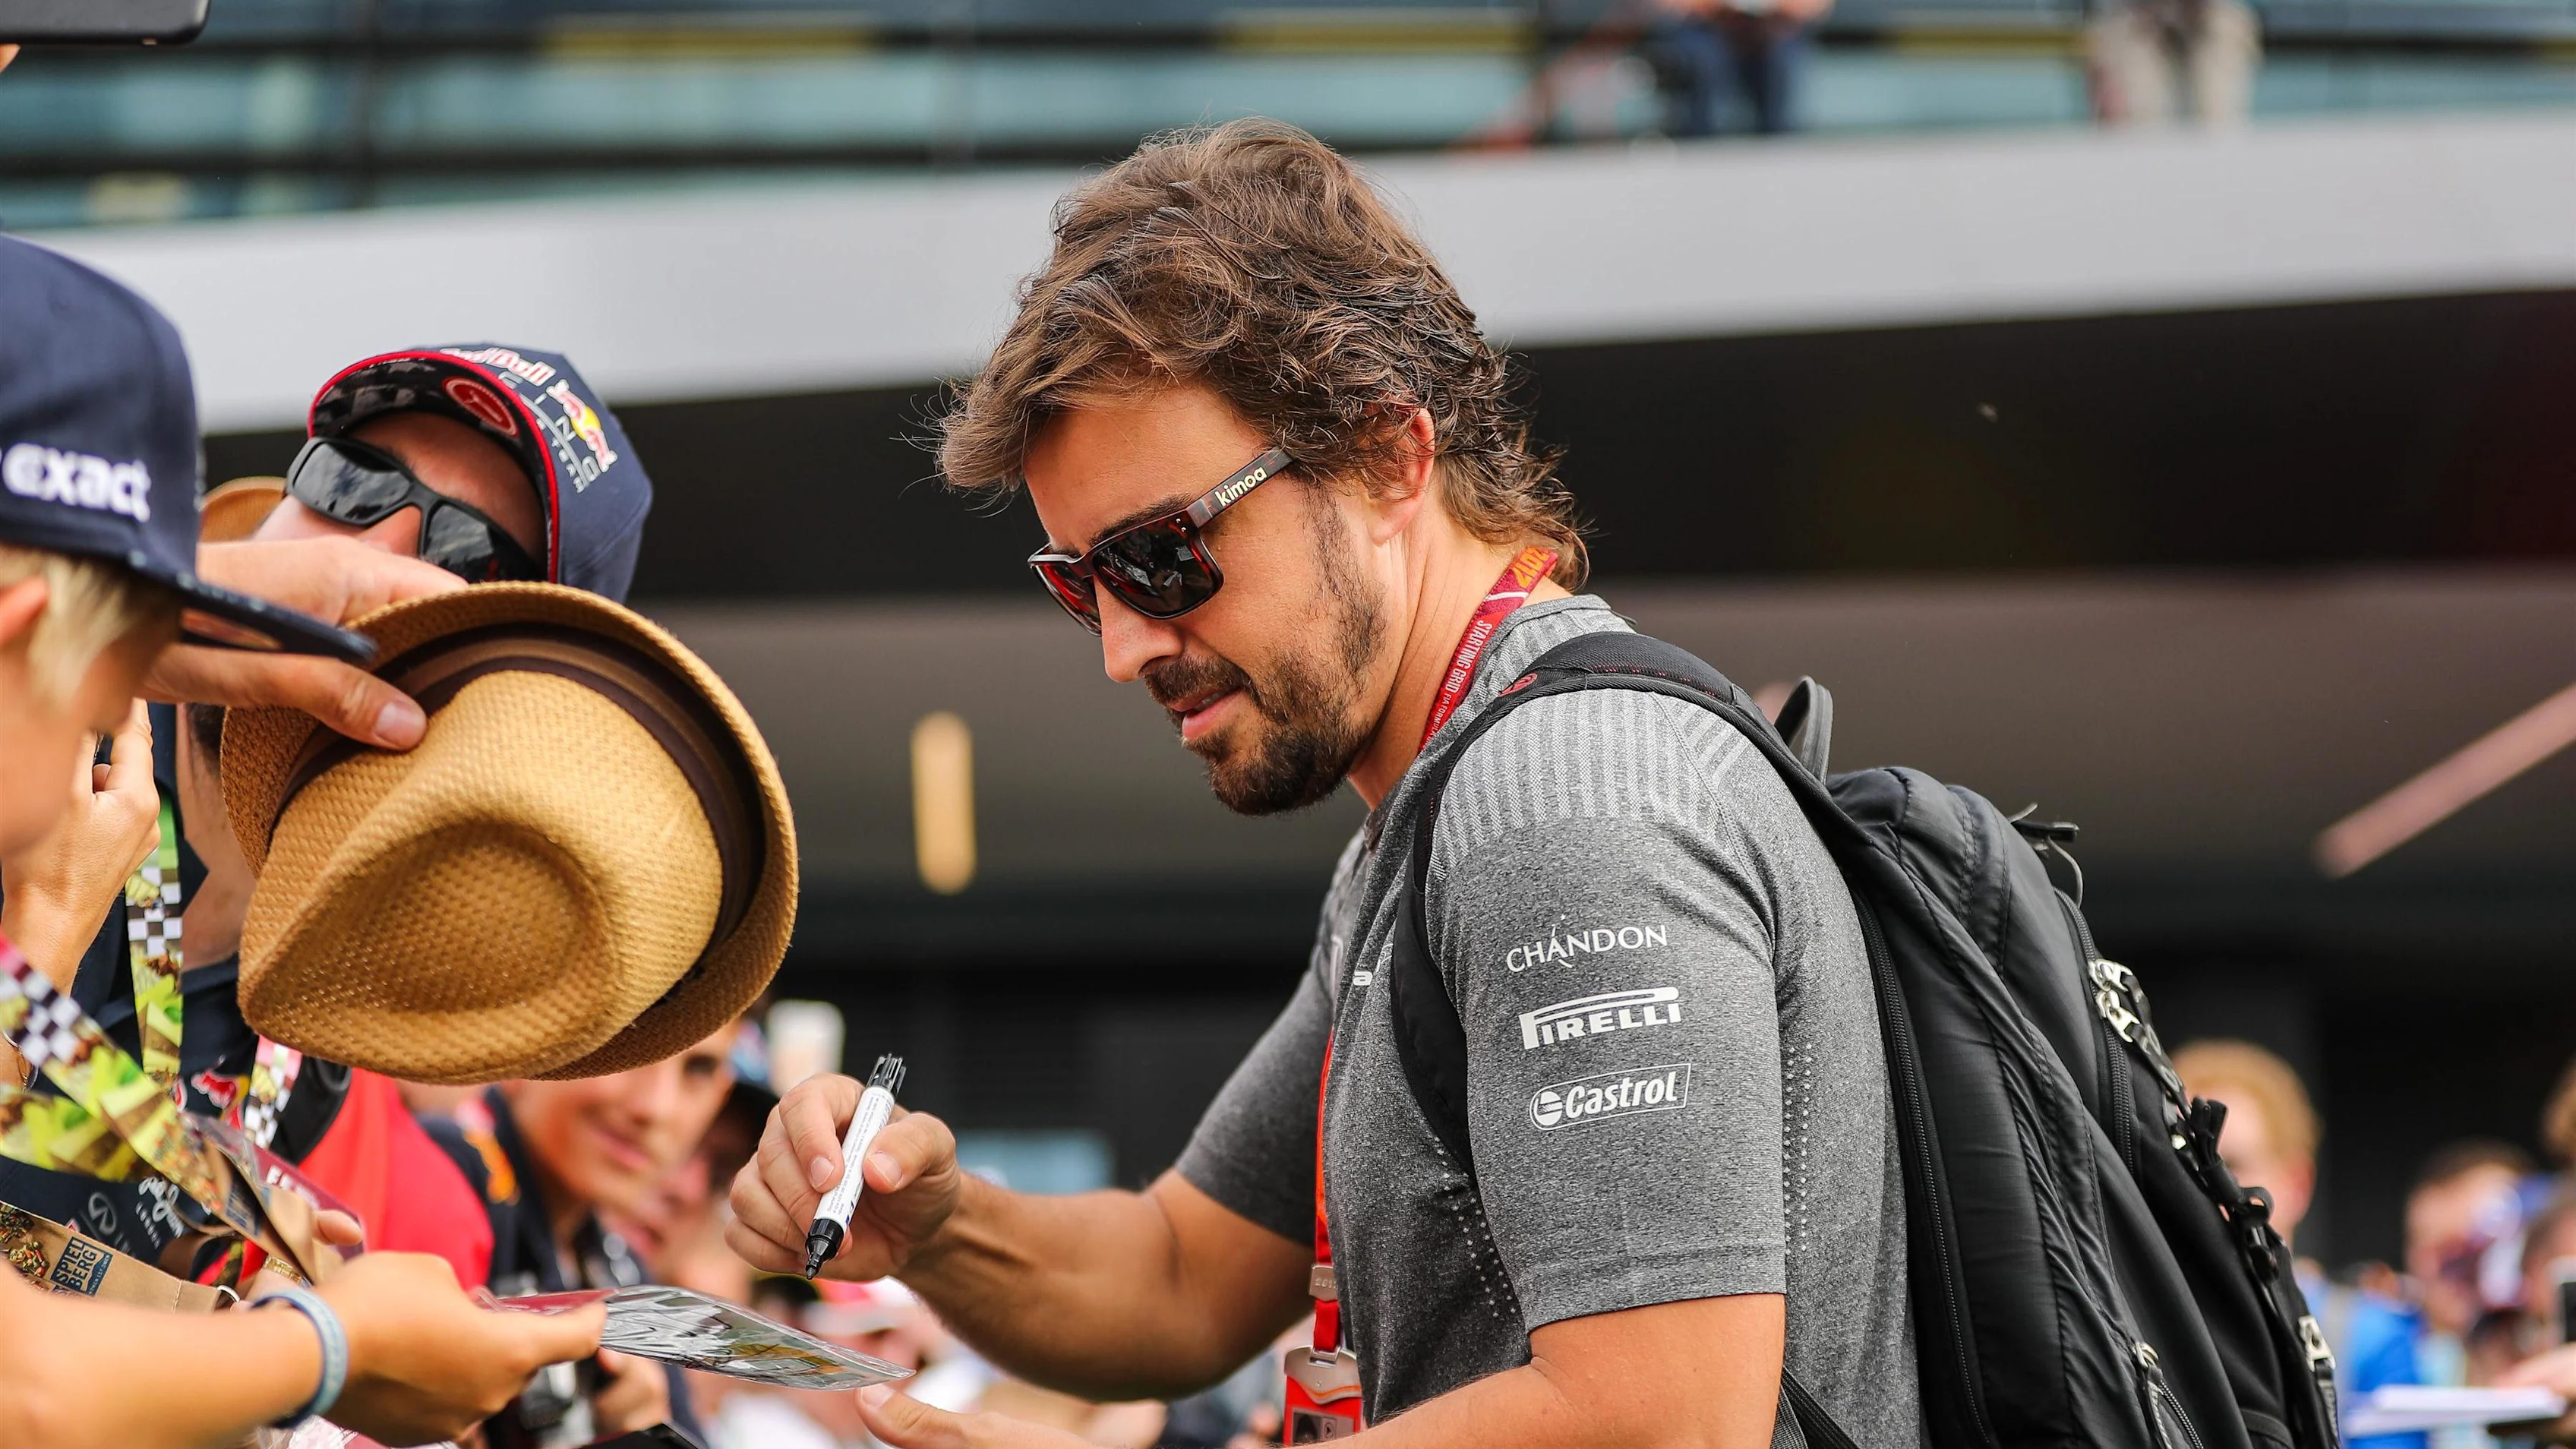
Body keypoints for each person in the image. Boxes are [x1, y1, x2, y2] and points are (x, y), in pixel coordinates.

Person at [732, 119, 1913, 1449]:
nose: (1124, 645)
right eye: (1080, 584)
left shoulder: (1556, 803)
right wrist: (935, 1223)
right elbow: (1181, 1277)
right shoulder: (1434, 820)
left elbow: (1663, 1418)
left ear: (1387, 457)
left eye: (1160, 556)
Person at [0, 229, 603, 1446]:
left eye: (464, 558)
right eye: (352, 483)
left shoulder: (360, 1128)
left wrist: (230, 1304)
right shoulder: (33, 798)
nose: (366, 552)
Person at [425, 1018, 747, 1446]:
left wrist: (648, 1428)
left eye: (698, 1069)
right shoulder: (447, 1170)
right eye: (629, 1041)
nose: (656, 1107)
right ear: (540, 1026)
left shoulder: (623, 1269)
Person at [2174, 1040, 2426, 1449]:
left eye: (2231, 1165)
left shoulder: (2372, 1335)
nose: (2207, 1189)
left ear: (2297, 1183)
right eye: (2186, 1167)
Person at [1648, 0, 1832, 136]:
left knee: (1779, 67)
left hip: (1773, 34)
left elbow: (1816, 7)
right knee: (1701, 59)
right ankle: (1698, 142)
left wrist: (1774, 8)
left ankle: (1778, 148)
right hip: (1710, 32)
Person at [2087, 0, 2261, 125]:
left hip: (2207, 14)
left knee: (2227, 27)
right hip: (2135, 18)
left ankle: (2222, 154)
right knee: (2142, 118)